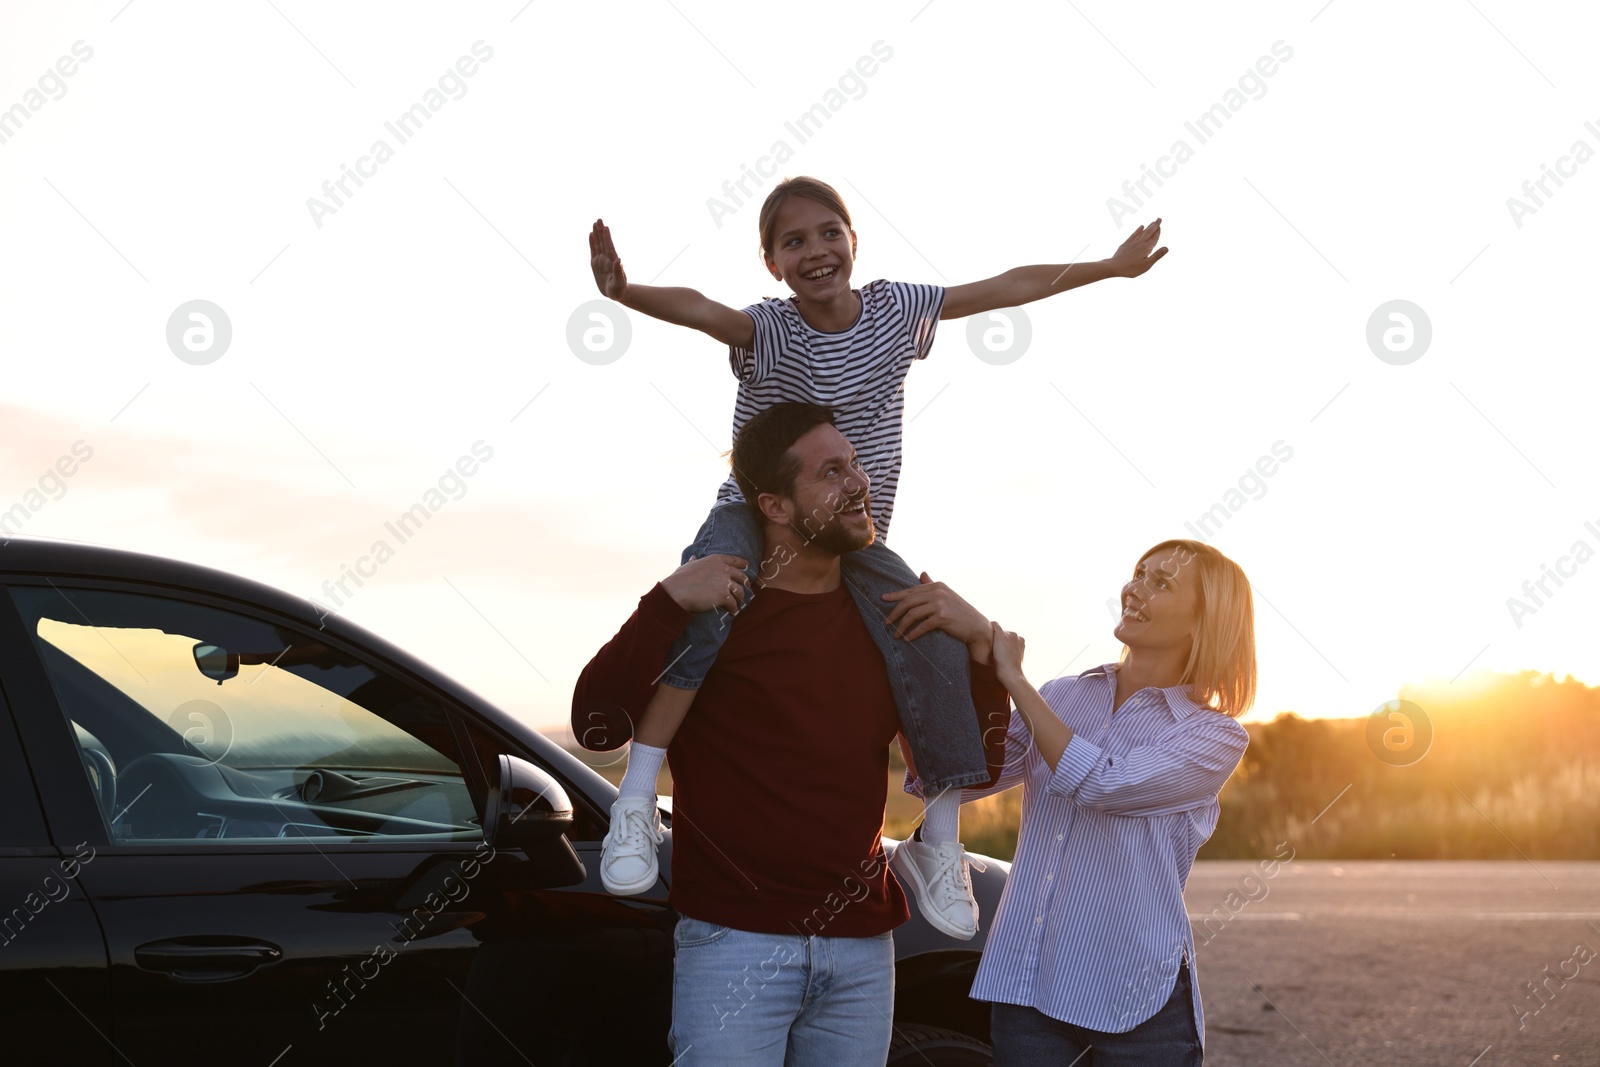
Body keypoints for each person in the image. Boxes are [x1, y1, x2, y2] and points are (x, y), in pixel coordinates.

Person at [587, 176, 1168, 938]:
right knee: (714, 605)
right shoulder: (770, 329)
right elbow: (704, 311)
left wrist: (1108, 268)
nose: (816, 250)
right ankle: (635, 797)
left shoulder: (896, 310)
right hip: (753, 513)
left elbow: (1002, 286)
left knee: (925, 629)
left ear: (854, 242)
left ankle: (941, 837)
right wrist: (625, 291)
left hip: (853, 532)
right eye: (793, 242)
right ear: (772, 264)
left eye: (829, 232)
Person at [571, 403, 1008, 1066]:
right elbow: (595, 724)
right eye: (832, 472)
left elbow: (979, 760)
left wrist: (980, 646)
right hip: (734, 944)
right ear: (774, 505)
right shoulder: (717, 609)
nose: (858, 481)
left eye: (856, 462)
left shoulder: (892, 619)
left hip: (864, 945)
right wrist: (663, 600)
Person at [913, 539, 1255, 1064]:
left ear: (1201, 624)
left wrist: (1014, 678)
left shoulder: (1213, 737)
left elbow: (1102, 783)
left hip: (1135, 1001)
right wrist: (963, 658)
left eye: (1161, 583)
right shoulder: (1064, 695)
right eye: (1140, 573)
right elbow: (975, 777)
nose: (1135, 589)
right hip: (1028, 983)